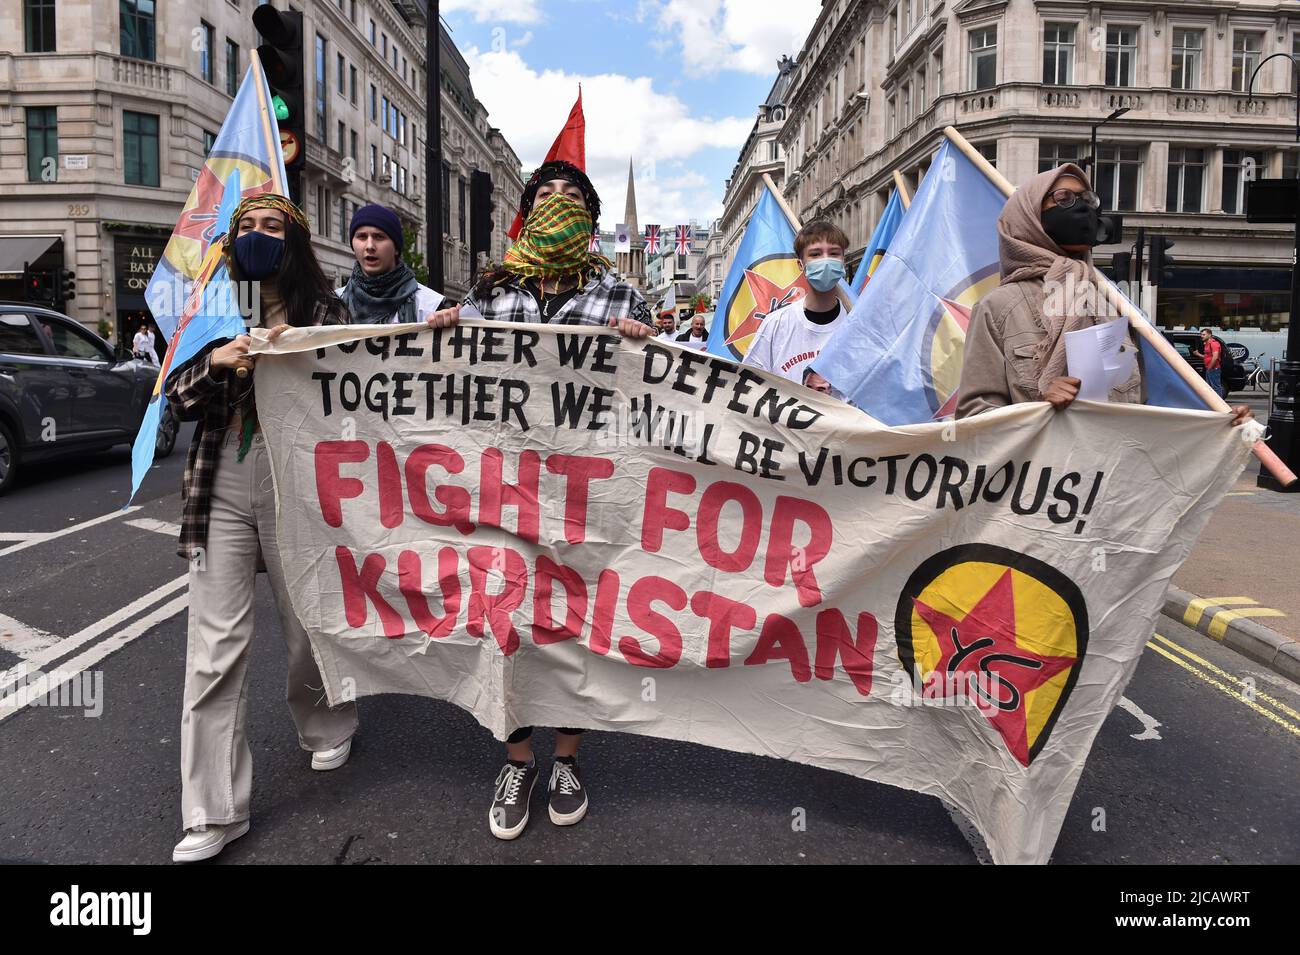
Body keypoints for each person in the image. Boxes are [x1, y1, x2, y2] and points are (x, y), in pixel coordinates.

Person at [164, 194, 359, 863]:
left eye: (272, 227)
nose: (257, 235)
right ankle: (211, 808)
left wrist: (295, 357)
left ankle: (327, 720)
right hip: (220, 479)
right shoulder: (211, 308)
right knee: (213, 646)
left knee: (305, 622)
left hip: (296, 479)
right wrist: (218, 362)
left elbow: (360, 393)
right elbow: (173, 395)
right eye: (246, 227)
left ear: (293, 240)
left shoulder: (325, 311)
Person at [463, 157, 653, 841]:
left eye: (573, 194)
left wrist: (642, 344)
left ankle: (567, 758)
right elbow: (449, 373)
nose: (558, 200)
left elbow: (655, 389)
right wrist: (440, 335)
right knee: (505, 620)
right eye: (546, 192)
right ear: (528, 209)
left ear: (590, 217)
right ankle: (518, 760)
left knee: (576, 624)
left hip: (585, 489)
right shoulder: (491, 290)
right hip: (505, 486)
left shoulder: (620, 295)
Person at [956, 165, 1253, 426]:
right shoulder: (999, 307)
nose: (1082, 208)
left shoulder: (1115, 303)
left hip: (1115, 468)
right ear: (1029, 216)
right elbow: (974, 417)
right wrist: (1037, 409)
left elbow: (1155, 402)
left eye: (1088, 199)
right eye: (1064, 198)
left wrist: (1216, 422)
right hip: (1044, 472)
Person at [742, 219, 848, 383]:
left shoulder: (857, 324)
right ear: (800, 264)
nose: (825, 261)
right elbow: (749, 382)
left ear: (843, 261)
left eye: (834, 253)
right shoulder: (776, 324)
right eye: (815, 254)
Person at [337, 203, 445, 324]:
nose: (370, 246)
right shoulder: (333, 304)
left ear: (396, 248)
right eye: (362, 236)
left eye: (379, 237)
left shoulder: (430, 306)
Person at [1193, 328, 1225, 398]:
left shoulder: (1214, 343)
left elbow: (1215, 357)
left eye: (1204, 334)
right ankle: (1213, 401)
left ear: (1209, 335)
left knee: (1216, 387)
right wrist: (1198, 354)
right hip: (1210, 368)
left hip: (1214, 368)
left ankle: (1219, 402)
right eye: (1201, 334)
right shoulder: (1207, 344)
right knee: (1210, 387)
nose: (1202, 336)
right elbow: (1207, 357)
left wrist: (1210, 367)